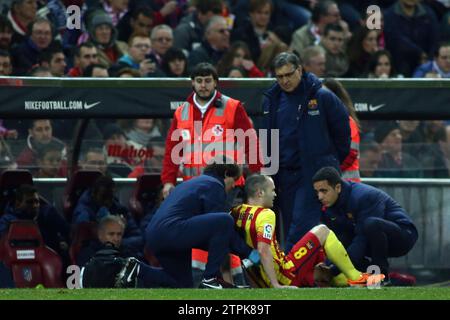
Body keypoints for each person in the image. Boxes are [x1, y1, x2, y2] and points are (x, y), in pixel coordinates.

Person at [262, 52, 350, 251]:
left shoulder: (322, 96)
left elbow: (343, 133)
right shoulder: (270, 100)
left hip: (311, 173)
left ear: (300, 70)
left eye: (289, 74)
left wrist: (329, 163)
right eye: (280, 76)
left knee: (300, 227)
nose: (284, 80)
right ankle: (306, 274)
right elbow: (267, 138)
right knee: (287, 225)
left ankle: (291, 272)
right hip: (282, 175)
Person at [232, 174, 384, 288]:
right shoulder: (265, 214)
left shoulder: (235, 212)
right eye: (272, 190)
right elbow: (263, 250)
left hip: (262, 280)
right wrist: (276, 285)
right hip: (284, 275)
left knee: (319, 259)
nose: (275, 194)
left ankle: (343, 279)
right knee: (322, 231)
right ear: (260, 193)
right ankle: (356, 277)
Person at [145, 160, 253, 288]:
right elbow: (222, 229)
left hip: (155, 235)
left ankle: (137, 269)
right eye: (234, 179)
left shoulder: (192, 183)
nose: (234, 185)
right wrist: (249, 253)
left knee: (181, 283)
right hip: (172, 231)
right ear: (225, 173)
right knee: (225, 220)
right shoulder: (214, 185)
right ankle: (210, 279)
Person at [312, 167, 418, 282]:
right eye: (317, 192)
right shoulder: (330, 205)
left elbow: (362, 238)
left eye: (324, 191)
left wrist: (333, 271)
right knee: (345, 238)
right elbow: (338, 242)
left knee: (370, 225)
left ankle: (381, 276)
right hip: (375, 236)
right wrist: (325, 266)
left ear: (337, 187)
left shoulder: (363, 196)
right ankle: (373, 275)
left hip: (404, 235)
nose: (320, 197)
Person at [80, 215, 177, 288]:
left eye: (119, 234)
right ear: (100, 235)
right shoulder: (88, 253)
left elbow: (145, 275)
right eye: (111, 234)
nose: (116, 238)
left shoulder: (128, 252)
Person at [72, 175, 144, 259]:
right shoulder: (83, 214)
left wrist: (118, 242)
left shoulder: (120, 210)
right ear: (94, 194)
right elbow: (80, 242)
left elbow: (138, 238)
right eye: (103, 197)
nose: (107, 202)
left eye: (110, 197)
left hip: (122, 252)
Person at [0, 184, 70, 264]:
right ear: (18, 204)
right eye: (30, 202)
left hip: (47, 262)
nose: (34, 206)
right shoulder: (7, 221)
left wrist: (60, 240)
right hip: (20, 261)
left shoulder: (46, 215)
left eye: (37, 202)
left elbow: (68, 232)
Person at [322, 78, 360, 182]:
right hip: (330, 186)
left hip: (348, 185)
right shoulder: (320, 121)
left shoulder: (347, 121)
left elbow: (351, 154)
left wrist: (325, 170)